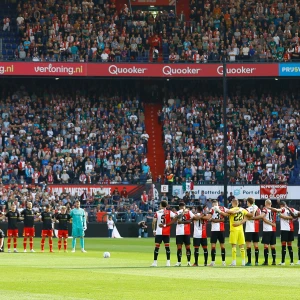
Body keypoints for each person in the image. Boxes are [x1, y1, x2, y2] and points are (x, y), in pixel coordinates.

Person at [218, 198, 252, 266]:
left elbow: (225, 215)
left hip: (233, 229)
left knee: (234, 246)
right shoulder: (242, 209)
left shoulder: (231, 210)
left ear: (232, 203)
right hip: (240, 230)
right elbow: (250, 215)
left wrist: (218, 210)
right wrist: (242, 221)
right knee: (242, 246)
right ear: (238, 203)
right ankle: (243, 262)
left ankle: (234, 262)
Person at [234, 197, 261, 266]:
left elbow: (245, 218)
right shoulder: (258, 209)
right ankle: (256, 261)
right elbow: (259, 217)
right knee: (256, 246)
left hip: (249, 229)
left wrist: (239, 223)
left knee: (248, 246)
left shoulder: (247, 209)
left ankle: (249, 262)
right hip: (256, 228)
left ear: (248, 202)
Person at [151, 200, 176, 267]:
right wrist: (167, 224)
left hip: (159, 232)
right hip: (166, 232)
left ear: (161, 205)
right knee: (167, 247)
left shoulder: (157, 212)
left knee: (157, 247)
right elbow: (176, 218)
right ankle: (168, 262)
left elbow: (153, 222)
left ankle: (155, 262)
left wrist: (154, 230)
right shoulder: (170, 212)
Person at [269, 201, 295, 265]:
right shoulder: (292, 209)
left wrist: (269, 207)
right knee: (290, 246)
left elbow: (276, 210)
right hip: (291, 229)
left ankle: (283, 262)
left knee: (283, 245)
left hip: (284, 230)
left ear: (281, 205)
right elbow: (296, 214)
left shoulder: (283, 209)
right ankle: (292, 262)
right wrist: (290, 217)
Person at [256, 199, 277, 265]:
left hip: (267, 230)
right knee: (273, 246)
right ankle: (274, 261)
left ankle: (266, 261)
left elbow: (263, 218)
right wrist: (273, 224)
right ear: (271, 204)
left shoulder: (265, 209)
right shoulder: (274, 210)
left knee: (266, 246)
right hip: (273, 230)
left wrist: (255, 217)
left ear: (265, 204)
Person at [207, 200, 227, 266]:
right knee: (222, 246)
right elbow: (226, 215)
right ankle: (223, 262)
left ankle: (213, 262)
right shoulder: (223, 208)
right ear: (218, 204)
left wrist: (212, 220)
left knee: (213, 246)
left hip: (214, 230)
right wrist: (221, 220)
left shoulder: (212, 209)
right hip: (221, 229)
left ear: (213, 204)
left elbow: (208, 218)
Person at [174, 202, 194, 266]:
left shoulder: (180, 212)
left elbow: (176, 218)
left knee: (180, 247)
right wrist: (189, 221)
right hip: (185, 232)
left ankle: (179, 262)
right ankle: (188, 262)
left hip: (180, 232)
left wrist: (184, 221)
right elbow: (193, 218)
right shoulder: (188, 212)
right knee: (187, 247)